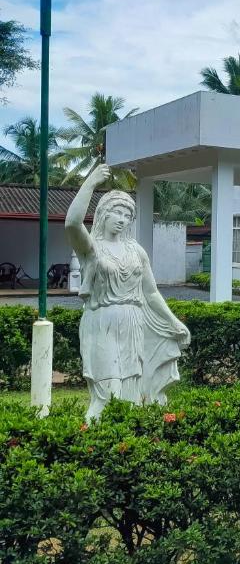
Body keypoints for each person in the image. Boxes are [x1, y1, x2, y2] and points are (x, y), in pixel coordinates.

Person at [65, 164, 190, 421]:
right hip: (102, 322)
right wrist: (90, 183)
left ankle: (126, 449)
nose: (122, 219)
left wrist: (173, 321)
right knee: (107, 392)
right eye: (117, 213)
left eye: (127, 215)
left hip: (134, 324)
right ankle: (91, 446)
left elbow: (151, 293)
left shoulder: (136, 251)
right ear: (103, 214)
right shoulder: (92, 249)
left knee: (132, 394)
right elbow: (72, 224)